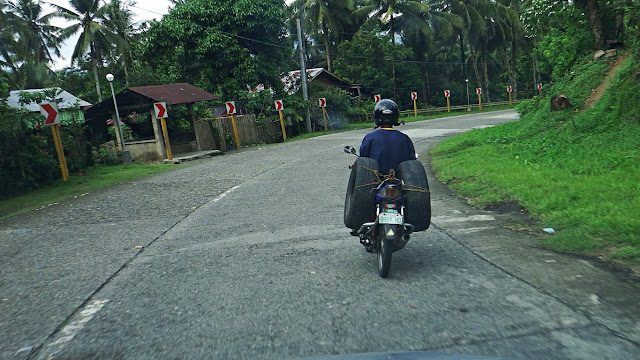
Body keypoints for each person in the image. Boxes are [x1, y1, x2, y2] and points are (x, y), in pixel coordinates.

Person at [359, 99, 416, 175]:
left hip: (375, 179)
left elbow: (363, 158)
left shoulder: (369, 137)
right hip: (400, 179)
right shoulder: (404, 138)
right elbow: (412, 159)